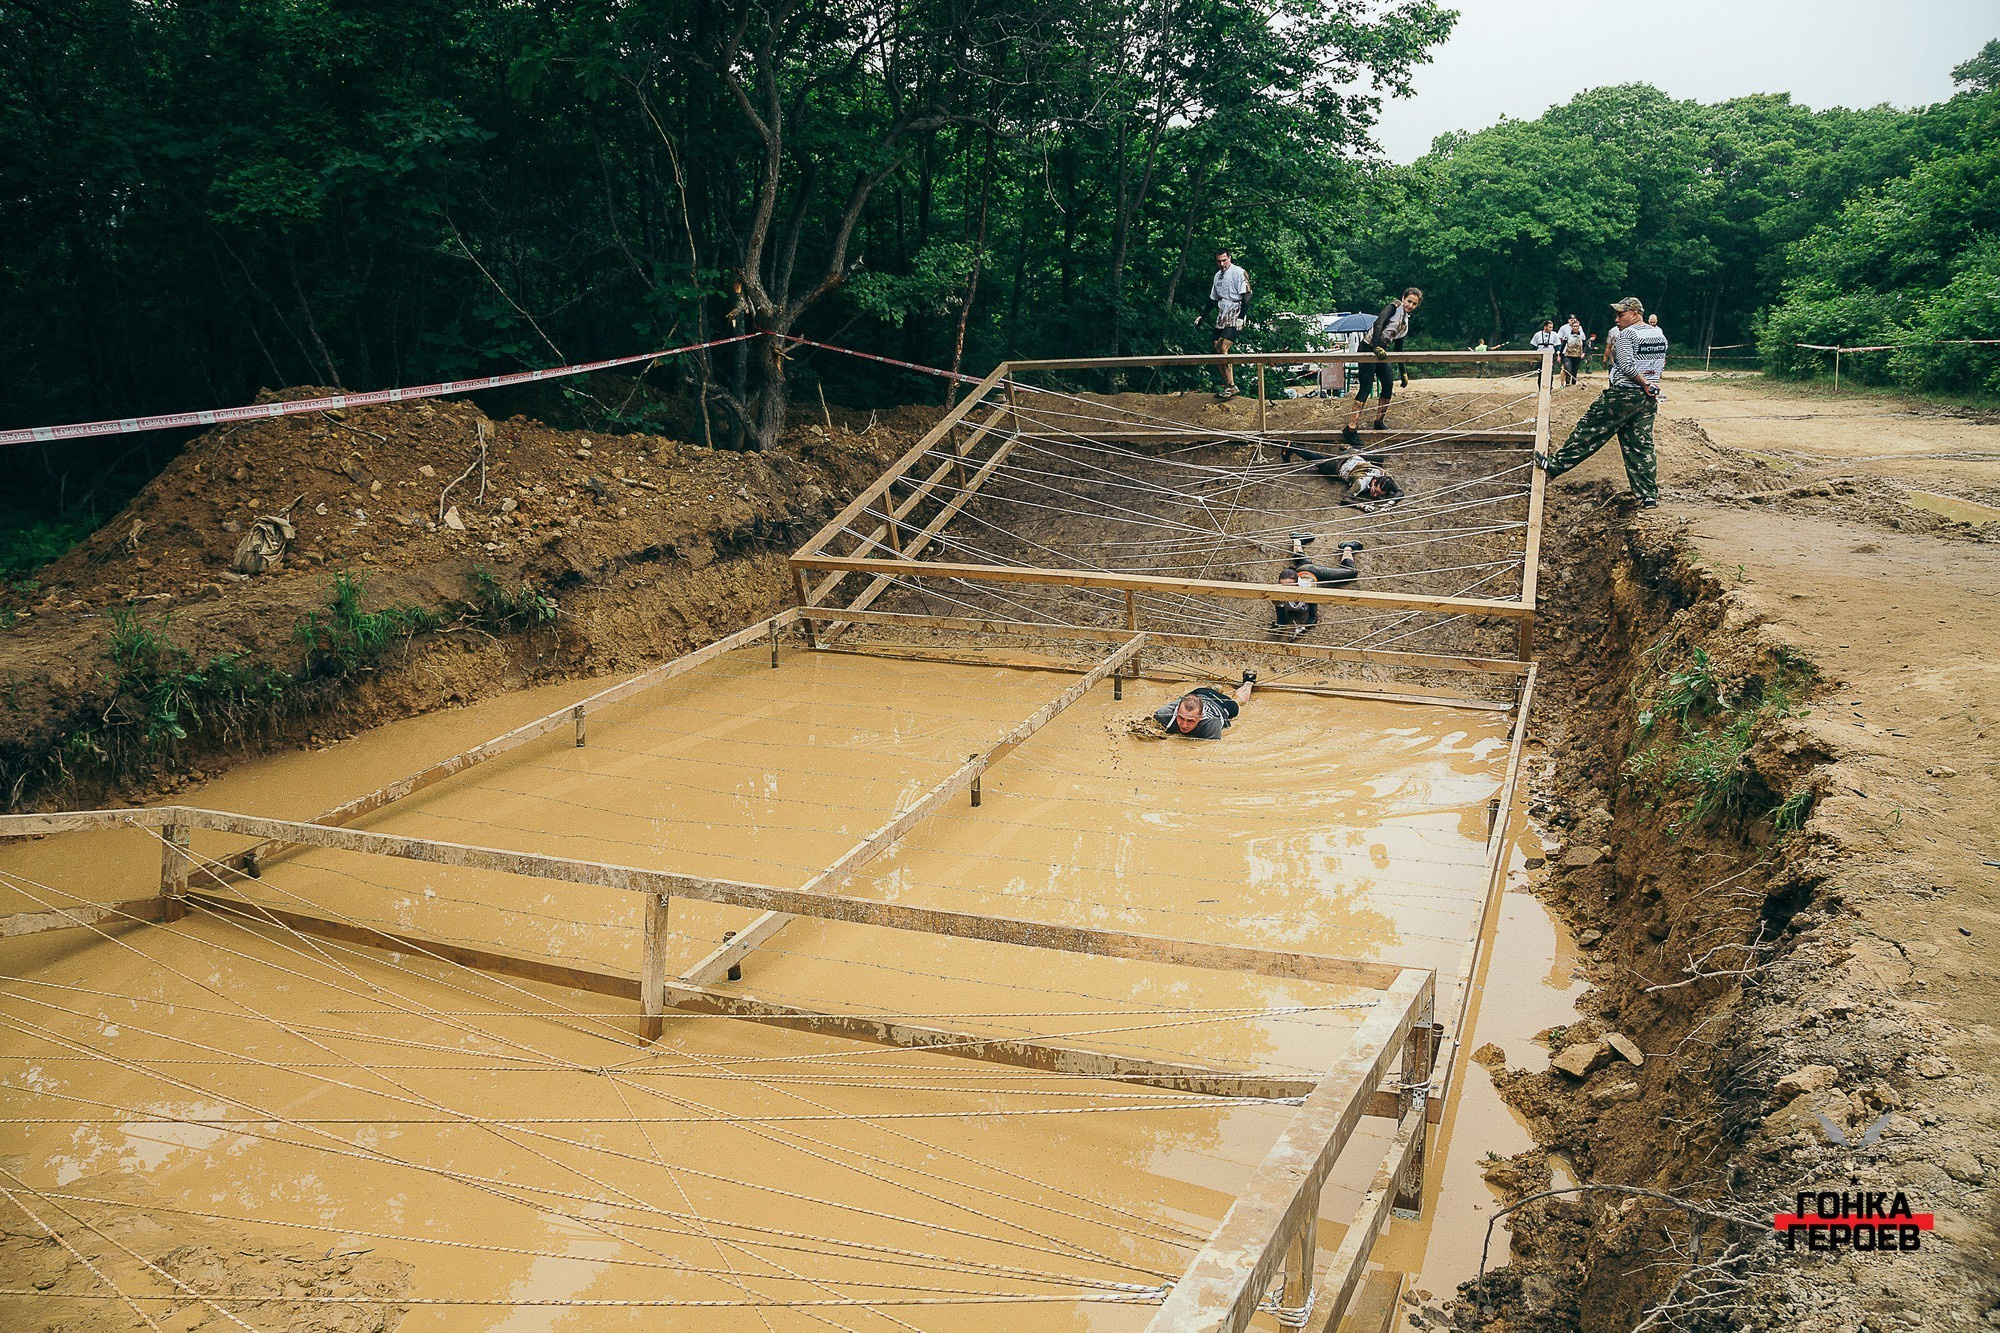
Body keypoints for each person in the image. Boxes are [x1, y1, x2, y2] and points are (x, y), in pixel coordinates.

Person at [1537, 296, 1669, 508]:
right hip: (1648, 398)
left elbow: (1625, 365)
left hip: (1624, 393)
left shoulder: (1628, 334)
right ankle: (1648, 495)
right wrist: (1651, 384)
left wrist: (1643, 382)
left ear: (1635, 314)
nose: (1617, 319)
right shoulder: (1657, 333)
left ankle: (1553, 466)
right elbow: (1660, 362)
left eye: (1621, 314)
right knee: (1640, 445)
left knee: (1590, 429)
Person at [1344, 287, 1421, 445]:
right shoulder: (1394, 306)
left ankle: (1379, 421)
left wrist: (1403, 372)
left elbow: (1399, 348)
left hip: (1382, 351)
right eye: (1409, 301)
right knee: (1366, 387)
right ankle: (1350, 429)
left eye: (1414, 304)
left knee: (1387, 384)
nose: (1410, 305)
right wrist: (1376, 346)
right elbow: (1379, 323)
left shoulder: (1405, 322)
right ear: (1403, 298)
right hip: (1368, 346)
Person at [1272, 537, 1364, 635]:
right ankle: (1297, 540)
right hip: (1300, 570)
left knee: (1351, 572)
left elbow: (1313, 617)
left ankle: (1347, 547)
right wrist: (1279, 627)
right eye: (1283, 586)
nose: (1286, 589)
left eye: (1290, 586)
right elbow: (1281, 619)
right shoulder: (1278, 595)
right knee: (1301, 560)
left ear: (1298, 584)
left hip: (1313, 572)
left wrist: (1302, 628)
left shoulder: (1308, 589)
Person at [1279, 444, 1404, 509]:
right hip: (1338, 465)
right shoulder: (1361, 483)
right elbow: (1345, 499)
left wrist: (1391, 502)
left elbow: (1399, 492)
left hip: (1354, 455)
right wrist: (1361, 505)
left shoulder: (1385, 476)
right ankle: (1292, 447)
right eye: (1375, 491)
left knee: (1380, 458)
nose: (1375, 495)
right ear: (1373, 482)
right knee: (1317, 459)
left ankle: (1349, 448)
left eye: (1379, 495)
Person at [1153, 670, 1258, 739]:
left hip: (1220, 703)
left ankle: (1248, 683)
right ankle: (1214, 689)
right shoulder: (1163, 714)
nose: (1184, 725)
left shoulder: (1210, 724)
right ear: (1177, 712)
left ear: (1201, 717)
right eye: (1181, 718)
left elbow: (1208, 749)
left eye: (1190, 721)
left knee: (1238, 702)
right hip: (1198, 692)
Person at [1204, 251, 1250, 399]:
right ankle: (1229, 384)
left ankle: (1231, 386)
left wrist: (1241, 317)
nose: (1222, 264)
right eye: (1219, 261)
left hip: (1235, 312)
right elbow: (1212, 299)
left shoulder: (1239, 272)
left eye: (1224, 260)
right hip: (1222, 313)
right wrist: (1202, 316)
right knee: (1216, 349)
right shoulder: (1217, 276)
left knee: (1222, 347)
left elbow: (1247, 295)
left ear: (1229, 258)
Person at [1559, 315, 1589, 387]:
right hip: (1568, 354)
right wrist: (1560, 354)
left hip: (1577, 355)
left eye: (1577, 326)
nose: (1575, 328)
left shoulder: (1582, 335)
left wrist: (1583, 353)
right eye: (1574, 326)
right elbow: (1563, 344)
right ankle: (1567, 384)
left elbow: (1585, 345)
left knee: (1575, 371)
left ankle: (1573, 384)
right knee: (1568, 369)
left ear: (1579, 327)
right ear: (1572, 327)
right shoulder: (1568, 334)